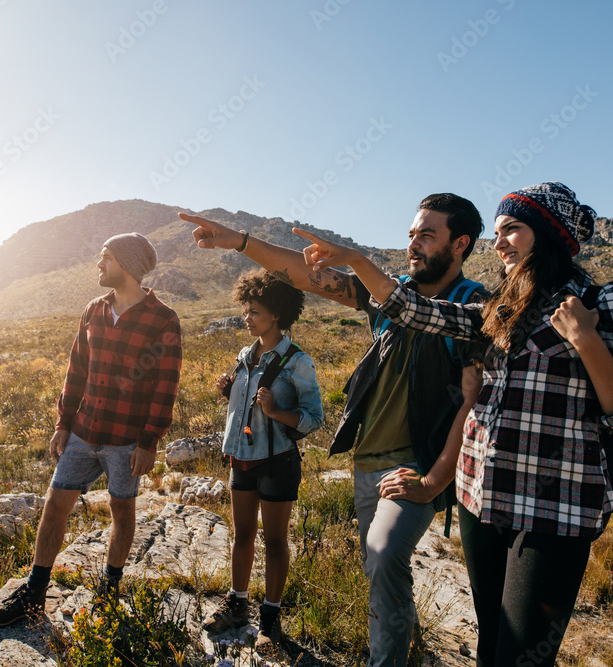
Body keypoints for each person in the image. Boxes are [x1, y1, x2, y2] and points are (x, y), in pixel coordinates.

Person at [294, 182, 613, 666]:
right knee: (490, 644)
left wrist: (586, 340)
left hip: (555, 509)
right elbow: (414, 309)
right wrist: (357, 261)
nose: (500, 242)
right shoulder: (501, 310)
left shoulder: (606, 300)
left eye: (512, 229)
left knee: (520, 654)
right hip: (480, 499)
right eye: (496, 233)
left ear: (546, 234)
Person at [182, 193, 488, 667]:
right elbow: (306, 276)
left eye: (427, 235)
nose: (414, 244)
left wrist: (435, 481)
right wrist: (241, 242)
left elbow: (475, 402)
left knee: (385, 555)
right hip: (368, 461)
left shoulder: (474, 308)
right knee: (380, 572)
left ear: (461, 243)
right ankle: (408, 645)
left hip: (418, 463)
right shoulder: (390, 295)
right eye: (411, 235)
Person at [0, 232, 182, 626]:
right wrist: (63, 424)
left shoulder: (163, 319)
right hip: (83, 432)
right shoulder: (93, 310)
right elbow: (77, 372)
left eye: (105, 257)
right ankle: (35, 593)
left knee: (122, 510)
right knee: (55, 505)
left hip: (126, 440)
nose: (98, 264)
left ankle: (109, 591)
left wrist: (149, 441)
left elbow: (165, 384)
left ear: (125, 263)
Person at [202, 268, 323, 657]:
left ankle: (270, 620)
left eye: (254, 311)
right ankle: (237, 605)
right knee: (241, 536)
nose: (247, 317)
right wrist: (230, 394)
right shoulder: (245, 356)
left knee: (273, 542)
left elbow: (313, 418)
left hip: (277, 462)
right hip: (242, 459)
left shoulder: (297, 361)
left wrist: (276, 411)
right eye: (246, 310)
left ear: (276, 313)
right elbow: (245, 410)